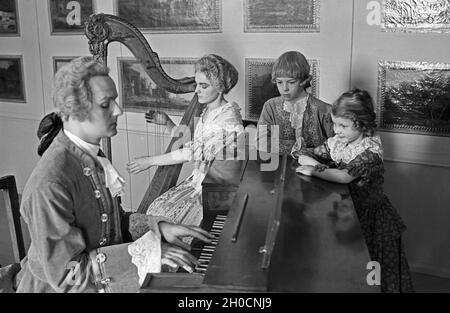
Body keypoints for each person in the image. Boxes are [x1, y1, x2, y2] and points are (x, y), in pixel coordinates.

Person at [13, 56, 212, 293]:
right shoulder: (50, 182)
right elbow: (69, 275)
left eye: (115, 101)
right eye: (107, 104)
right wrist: (150, 254)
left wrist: (157, 227)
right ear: (75, 111)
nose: (118, 110)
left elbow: (111, 221)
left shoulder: (91, 156)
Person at [295, 89, 414, 293]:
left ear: (362, 123)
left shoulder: (370, 151)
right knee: (353, 270)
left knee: (374, 268)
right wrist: (313, 162)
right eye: (334, 123)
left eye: (343, 125)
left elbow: (344, 176)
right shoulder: (339, 143)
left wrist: (314, 169)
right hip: (350, 214)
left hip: (372, 220)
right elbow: (304, 154)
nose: (336, 130)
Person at [127, 54, 244, 227]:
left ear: (219, 87)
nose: (197, 90)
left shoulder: (227, 119)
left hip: (213, 189)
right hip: (197, 181)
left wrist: (149, 161)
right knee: (156, 212)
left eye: (203, 86)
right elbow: (194, 144)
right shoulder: (210, 111)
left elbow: (189, 152)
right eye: (197, 84)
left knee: (162, 218)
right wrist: (167, 123)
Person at [257, 51, 334, 154]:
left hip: (316, 168)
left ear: (304, 80)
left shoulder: (325, 110)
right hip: (278, 167)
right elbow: (261, 142)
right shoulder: (270, 106)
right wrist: (298, 149)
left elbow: (337, 147)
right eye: (279, 82)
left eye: (291, 82)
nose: (284, 89)